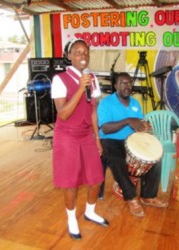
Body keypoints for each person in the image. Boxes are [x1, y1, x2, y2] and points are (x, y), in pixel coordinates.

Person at [51, 38, 108, 240]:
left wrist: (97, 139)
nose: (83, 56)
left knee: (96, 178)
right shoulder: (59, 80)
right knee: (71, 182)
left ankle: (90, 212)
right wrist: (79, 88)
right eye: (77, 52)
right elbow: (63, 114)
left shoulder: (92, 78)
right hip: (66, 136)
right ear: (69, 56)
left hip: (86, 135)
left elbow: (93, 111)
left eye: (86, 52)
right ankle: (71, 219)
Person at [97, 72, 168, 218]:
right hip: (111, 140)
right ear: (116, 86)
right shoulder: (106, 103)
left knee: (155, 155)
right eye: (123, 83)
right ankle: (131, 197)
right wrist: (127, 120)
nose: (127, 86)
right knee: (116, 159)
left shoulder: (135, 103)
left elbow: (139, 124)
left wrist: (145, 126)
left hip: (132, 140)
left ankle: (148, 196)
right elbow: (105, 128)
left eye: (129, 83)